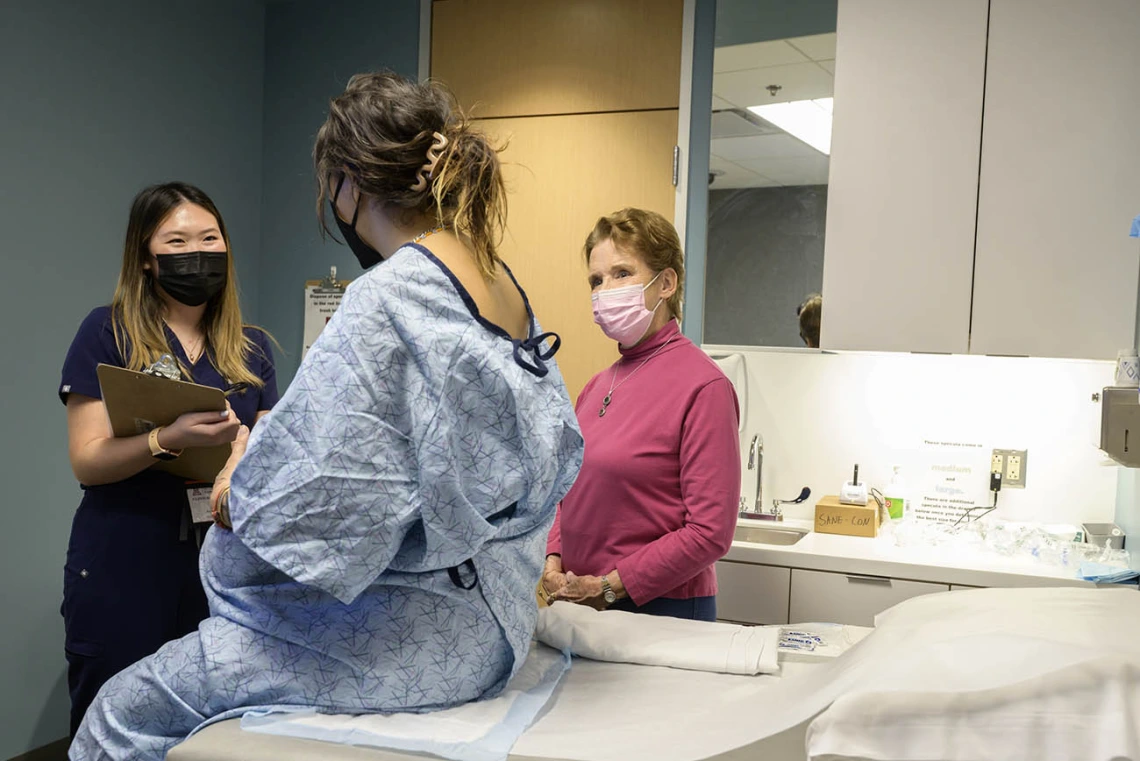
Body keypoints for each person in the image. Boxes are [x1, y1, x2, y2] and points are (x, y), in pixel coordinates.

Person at [69, 71, 584, 761]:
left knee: (117, 712)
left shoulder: (387, 297)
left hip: (416, 632)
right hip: (499, 618)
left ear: (348, 183)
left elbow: (305, 499)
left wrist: (241, 481)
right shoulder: (500, 283)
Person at [59, 182, 278, 738]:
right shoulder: (107, 331)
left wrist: (251, 451)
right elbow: (87, 461)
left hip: (219, 561)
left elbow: (269, 450)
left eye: (209, 238)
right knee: (113, 721)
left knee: (209, 729)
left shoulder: (251, 348)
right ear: (147, 259)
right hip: (125, 557)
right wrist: (168, 437)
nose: (196, 253)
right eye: (176, 241)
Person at [542, 208, 740, 622]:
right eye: (596, 280)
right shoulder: (597, 385)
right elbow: (569, 489)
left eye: (621, 273)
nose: (604, 290)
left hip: (662, 610)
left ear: (666, 283)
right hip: (583, 602)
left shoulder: (704, 387)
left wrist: (611, 587)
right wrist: (554, 558)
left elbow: (710, 533)